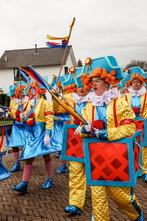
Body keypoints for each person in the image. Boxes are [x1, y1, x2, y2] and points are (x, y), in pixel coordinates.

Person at [77, 57, 144, 221]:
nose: (94, 84)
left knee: (120, 196)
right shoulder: (89, 105)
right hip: (95, 159)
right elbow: (81, 129)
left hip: (116, 158)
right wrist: (84, 130)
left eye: (98, 80)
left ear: (107, 82)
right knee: (98, 200)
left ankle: (137, 216)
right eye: (92, 80)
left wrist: (105, 133)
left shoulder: (119, 102)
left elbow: (130, 127)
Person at [12, 83, 55, 193]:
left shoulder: (46, 103)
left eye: (33, 89)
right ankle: (24, 183)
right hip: (31, 134)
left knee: (46, 156)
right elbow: (26, 117)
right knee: (29, 156)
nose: (31, 91)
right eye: (31, 89)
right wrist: (21, 117)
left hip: (41, 132)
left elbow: (50, 119)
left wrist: (48, 133)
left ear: (40, 91)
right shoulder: (28, 103)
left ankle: (49, 179)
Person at [123, 67, 147, 183]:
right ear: (131, 83)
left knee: (145, 147)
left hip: (144, 123)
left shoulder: (146, 95)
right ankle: (136, 170)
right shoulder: (127, 96)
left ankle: (146, 171)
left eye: (138, 82)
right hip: (132, 123)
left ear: (141, 83)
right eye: (134, 82)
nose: (136, 84)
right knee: (134, 146)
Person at [8, 82, 29, 173]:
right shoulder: (13, 101)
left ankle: (28, 161)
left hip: (26, 126)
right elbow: (11, 111)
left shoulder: (28, 100)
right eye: (20, 92)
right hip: (16, 125)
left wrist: (24, 114)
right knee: (14, 145)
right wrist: (10, 113)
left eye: (23, 91)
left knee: (27, 143)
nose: (22, 93)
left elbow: (31, 112)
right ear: (17, 92)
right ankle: (17, 163)